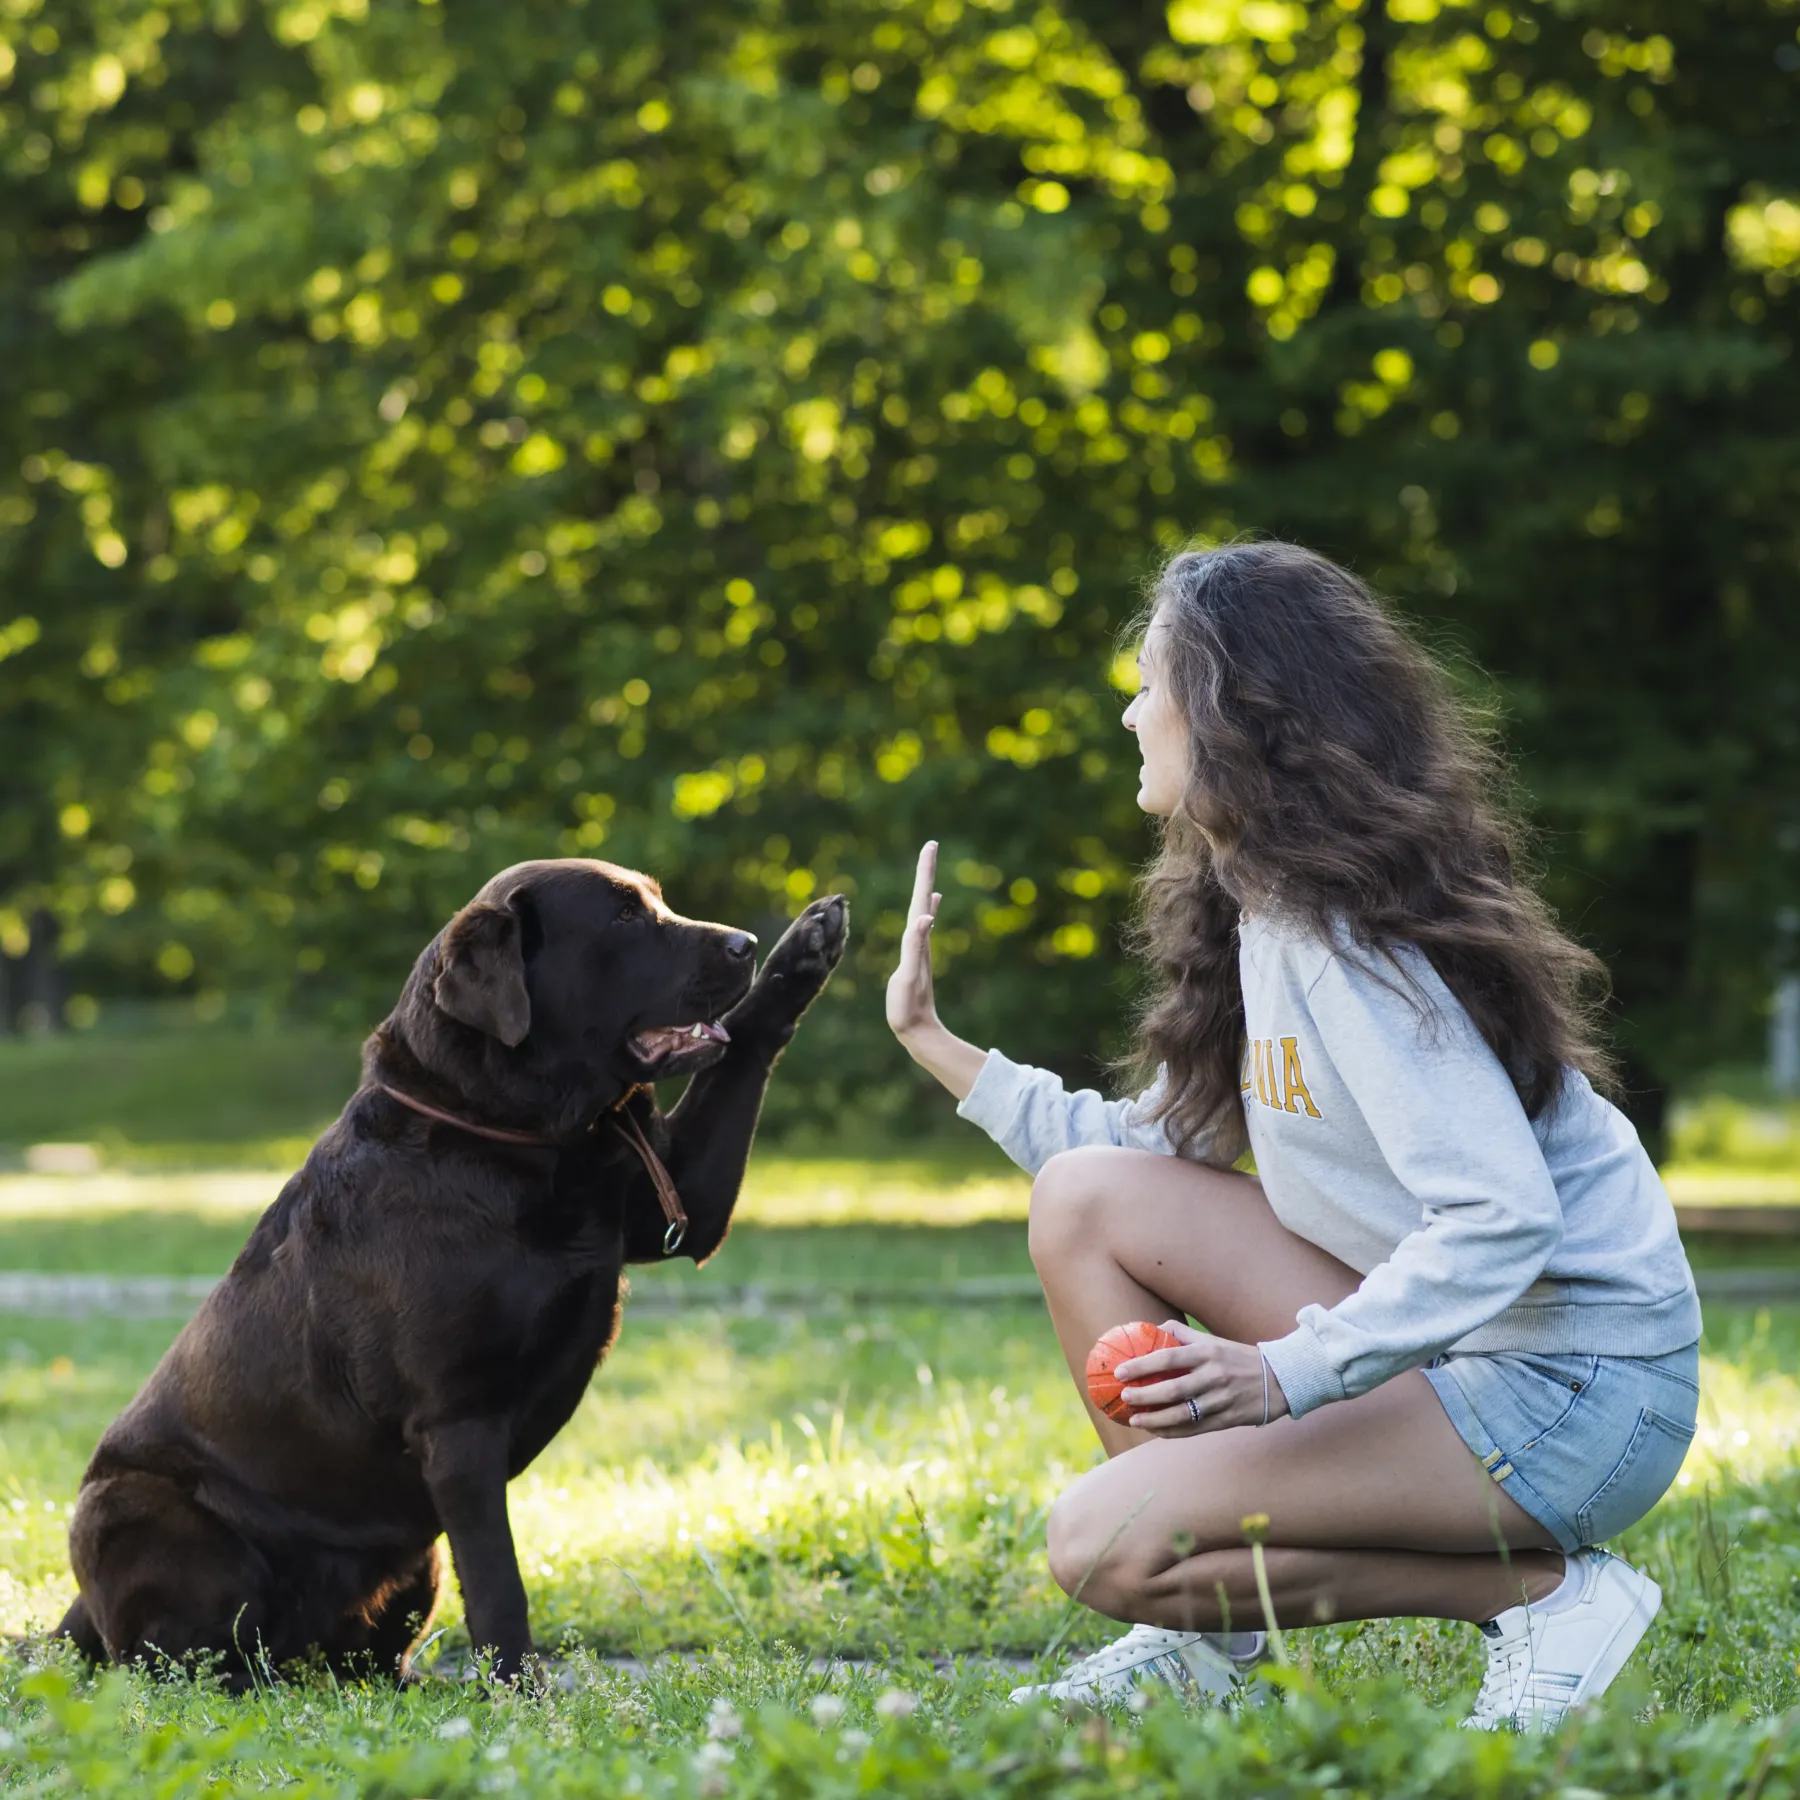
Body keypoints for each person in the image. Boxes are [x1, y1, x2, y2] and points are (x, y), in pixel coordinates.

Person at [883, 540, 1701, 1730]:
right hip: (1482, 1352)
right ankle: (1213, 1643)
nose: (1129, 711)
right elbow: (1146, 1157)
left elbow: (1502, 1215)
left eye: (1149, 682)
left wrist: (1281, 1376)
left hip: (1578, 1386)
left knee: (1103, 1539)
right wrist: (940, 1046)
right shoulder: (1260, 908)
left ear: (1226, 708)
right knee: (1086, 1198)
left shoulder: (1341, 937)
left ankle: (1547, 1594)